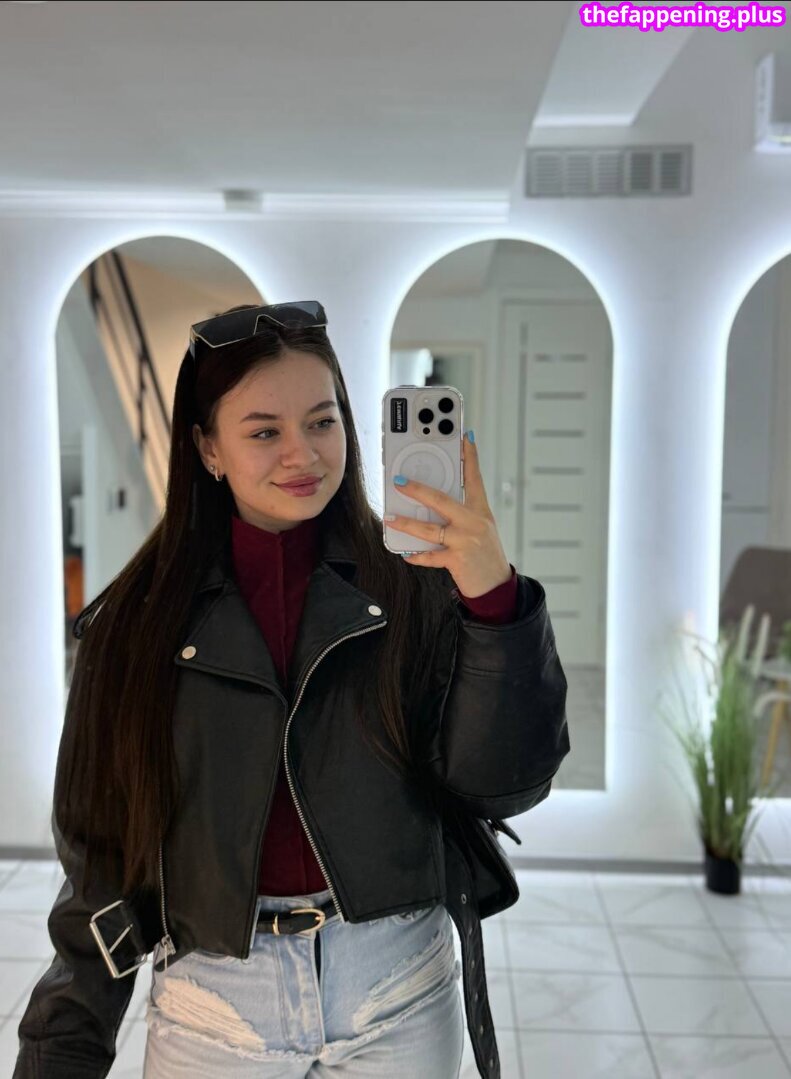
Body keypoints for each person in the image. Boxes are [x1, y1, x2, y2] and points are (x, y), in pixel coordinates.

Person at [14, 301, 570, 1079]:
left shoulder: (416, 587)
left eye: (322, 421)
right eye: (263, 431)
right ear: (207, 447)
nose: (302, 454)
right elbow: (98, 856)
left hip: (396, 987)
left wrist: (493, 604)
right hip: (214, 1004)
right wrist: (60, 1054)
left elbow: (504, 785)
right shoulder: (134, 627)